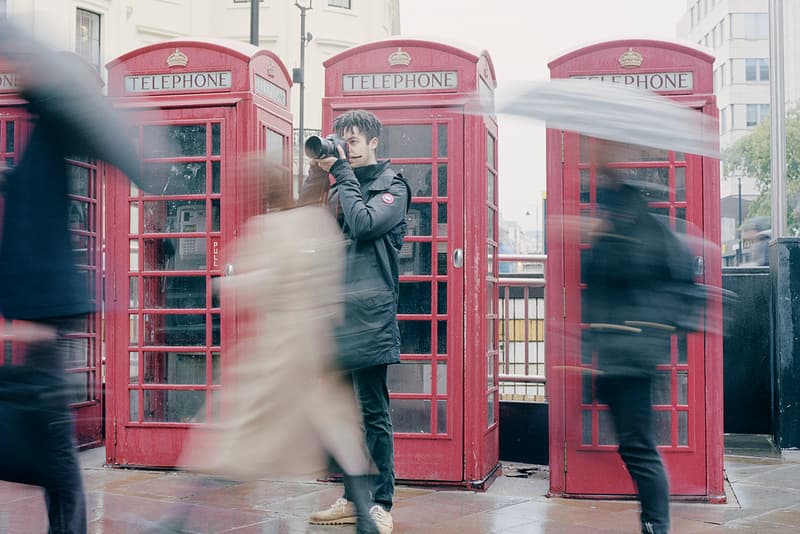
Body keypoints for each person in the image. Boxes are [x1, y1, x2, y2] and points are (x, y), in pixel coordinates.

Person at [172, 158, 382, 534]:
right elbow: (335, 285)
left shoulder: (266, 228)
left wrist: (221, 284)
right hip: (319, 344)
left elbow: (258, 283)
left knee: (235, 433)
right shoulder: (317, 223)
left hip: (282, 346)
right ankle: (365, 517)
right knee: (337, 430)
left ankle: (175, 520)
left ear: (262, 193)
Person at [0, 21, 147, 534]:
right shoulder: (41, 124)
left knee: (54, 440)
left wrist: (29, 319)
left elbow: (36, 225)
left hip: (46, 307)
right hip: (41, 304)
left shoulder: (56, 113)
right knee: (51, 436)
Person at [303, 110, 410, 534]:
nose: (347, 145)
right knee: (339, 415)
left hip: (370, 318)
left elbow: (364, 224)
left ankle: (381, 502)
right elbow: (305, 218)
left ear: (373, 143)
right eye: (342, 138)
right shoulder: (338, 186)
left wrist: (342, 173)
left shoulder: (392, 187)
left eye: (355, 139)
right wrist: (317, 172)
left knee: (372, 412)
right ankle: (352, 498)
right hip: (334, 313)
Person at [583, 141, 677, 534]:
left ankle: (656, 525)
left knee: (639, 449)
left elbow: (634, 274)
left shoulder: (640, 230)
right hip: (615, 352)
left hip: (633, 353)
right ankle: (653, 523)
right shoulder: (622, 224)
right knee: (634, 447)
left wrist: (601, 237)